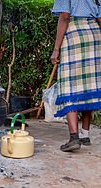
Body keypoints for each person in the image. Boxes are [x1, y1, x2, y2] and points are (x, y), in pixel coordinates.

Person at [51, 0, 101, 152]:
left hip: (74, 35)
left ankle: (74, 138)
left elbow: (65, 17)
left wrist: (56, 49)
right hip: (94, 36)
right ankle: (85, 134)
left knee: (70, 86)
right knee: (89, 86)